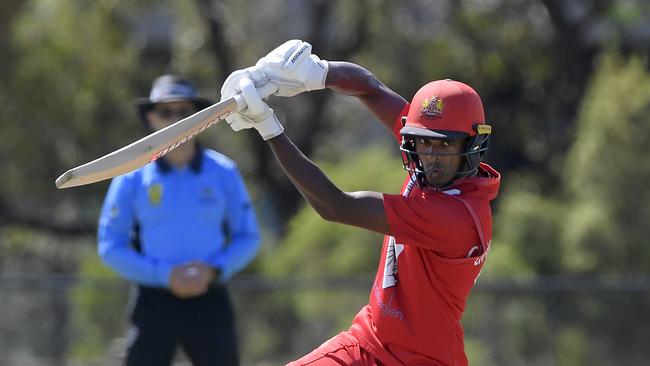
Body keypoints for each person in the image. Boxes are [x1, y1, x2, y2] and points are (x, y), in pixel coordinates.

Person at [220, 40, 501, 366]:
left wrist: (267, 125)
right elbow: (369, 87)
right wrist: (314, 73)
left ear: (472, 145)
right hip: (367, 342)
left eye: (446, 146)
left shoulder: (457, 218)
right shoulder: (431, 161)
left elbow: (335, 206)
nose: (433, 157)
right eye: (424, 142)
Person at [97, 74, 260, 366]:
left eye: (184, 112)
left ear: (199, 118)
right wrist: (164, 275)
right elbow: (110, 245)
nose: (175, 119)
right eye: (166, 112)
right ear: (151, 117)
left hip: (210, 299)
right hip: (154, 301)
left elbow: (248, 237)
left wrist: (213, 271)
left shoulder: (223, 172)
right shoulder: (131, 176)